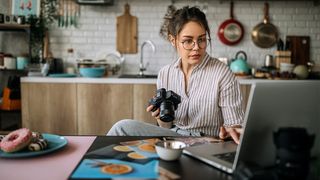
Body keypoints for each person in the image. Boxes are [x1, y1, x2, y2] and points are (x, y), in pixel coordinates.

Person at [107, 6, 244, 144]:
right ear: (173, 40)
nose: (196, 47)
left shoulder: (222, 74)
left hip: (206, 141)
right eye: (188, 41)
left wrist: (229, 131)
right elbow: (167, 126)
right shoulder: (165, 73)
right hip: (173, 137)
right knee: (122, 128)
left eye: (201, 39)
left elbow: (234, 128)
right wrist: (161, 117)